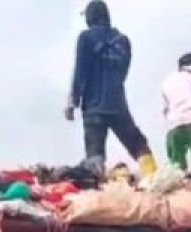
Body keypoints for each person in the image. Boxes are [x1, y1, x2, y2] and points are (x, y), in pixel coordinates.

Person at [65, 1, 156, 177]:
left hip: (94, 106)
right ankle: (153, 177)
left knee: (95, 153)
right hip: (118, 104)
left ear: (90, 17)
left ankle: (96, 183)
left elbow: (80, 70)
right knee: (138, 144)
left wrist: (73, 101)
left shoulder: (85, 38)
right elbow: (123, 72)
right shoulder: (123, 41)